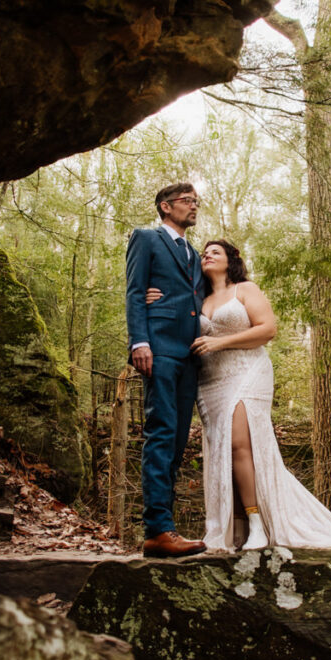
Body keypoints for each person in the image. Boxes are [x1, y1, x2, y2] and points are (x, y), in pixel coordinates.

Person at [146, 239, 331, 660]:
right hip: (211, 383)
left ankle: (259, 522)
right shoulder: (195, 297)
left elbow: (268, 330)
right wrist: (156, 297)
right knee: (222, 450)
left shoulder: (246, 289)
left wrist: (221, 344)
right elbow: (174, 321)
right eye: (203, 252)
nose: (207, 255)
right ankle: (232, 525)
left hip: (246, 371)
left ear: (231, 259)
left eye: (215, 251)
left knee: (243, 444)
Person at [125, 183, 207, 558]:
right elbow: (134, 290)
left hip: (190, 355)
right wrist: (139, 342)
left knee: (176, 442)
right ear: (165, 206)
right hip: (158, 349)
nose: (194, 207)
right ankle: (157, 529)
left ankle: (166, 528)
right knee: (160, 434)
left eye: (196, 202)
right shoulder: (146, 238)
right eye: (187, 201)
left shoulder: (194, 253)